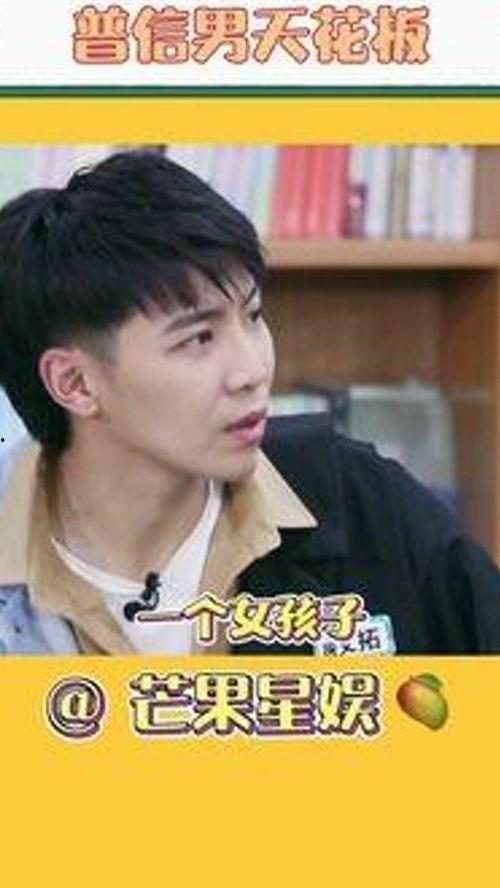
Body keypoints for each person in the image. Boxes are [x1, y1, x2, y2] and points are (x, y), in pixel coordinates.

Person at [0, 149, 499, 656]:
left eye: (253, 315)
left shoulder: (361, 499)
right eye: (198, 338)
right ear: (76, 383)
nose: (253, 371)